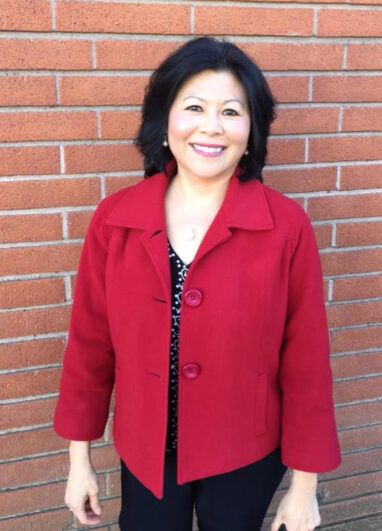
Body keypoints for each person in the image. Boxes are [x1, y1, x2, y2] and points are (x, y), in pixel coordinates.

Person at [53, 36, 341, 531]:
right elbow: (89, 345)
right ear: (165, 120)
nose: (212, 126)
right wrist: (79, 460)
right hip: (148, 452)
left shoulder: (286, 227)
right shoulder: (116, 220)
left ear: (252, 131)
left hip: (245, 451)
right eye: (194, 107)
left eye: (231, 111)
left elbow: (306, 362)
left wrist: (304, 486)